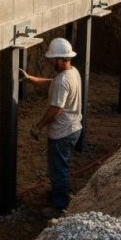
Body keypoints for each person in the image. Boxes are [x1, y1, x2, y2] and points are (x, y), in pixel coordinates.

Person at [21, 38, 83, 218]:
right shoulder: (72, 73)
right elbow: (52, 83)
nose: (50, 62)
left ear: (61, 59)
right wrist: (30, 79)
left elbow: (56, 109)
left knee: (59, 169)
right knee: (60, 166)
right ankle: (59, 193)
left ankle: (60, 206)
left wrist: (38, 126)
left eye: (52, 59)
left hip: (63, 133)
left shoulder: (63, 80)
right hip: (73, 128)